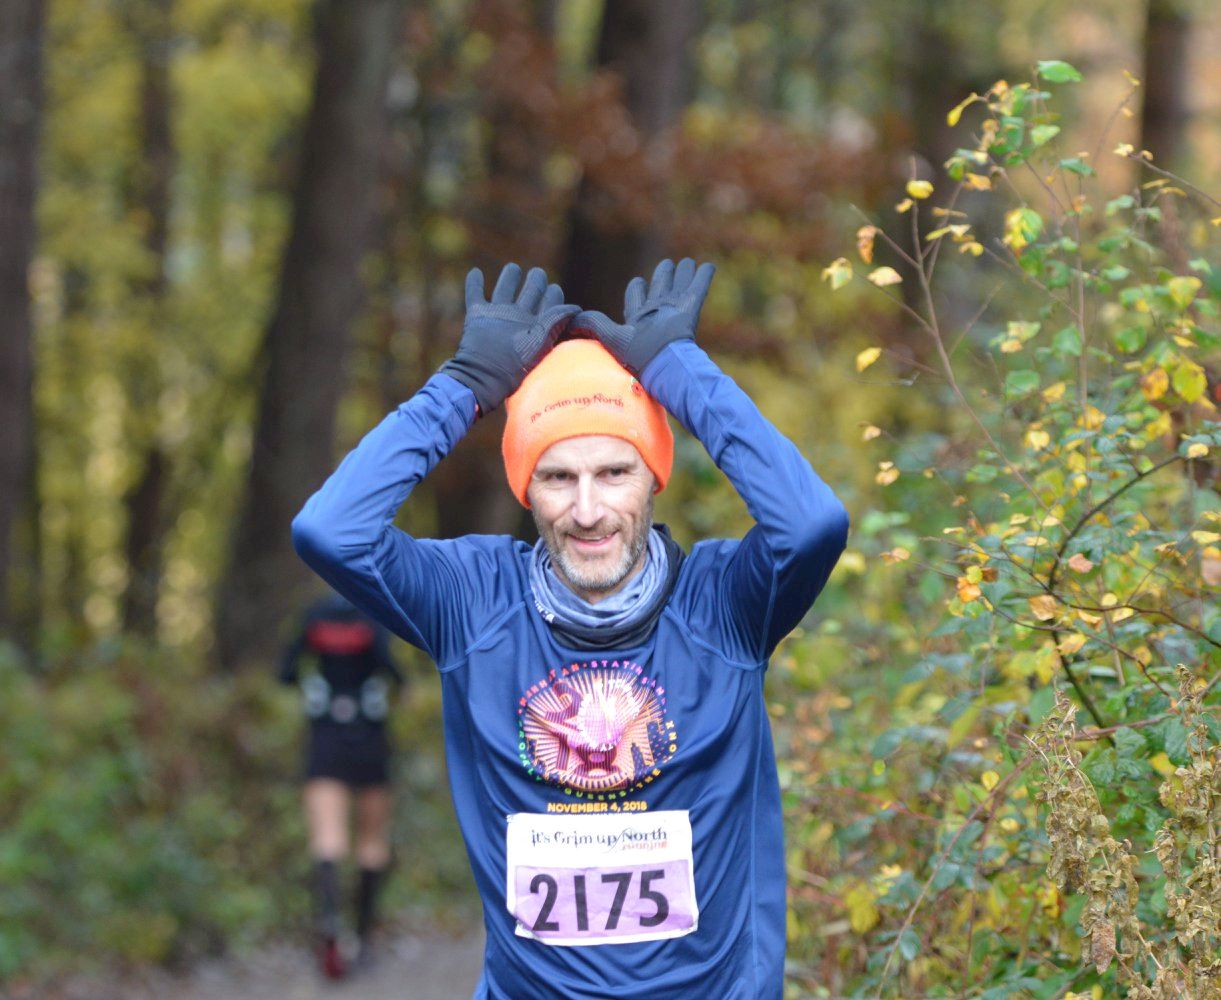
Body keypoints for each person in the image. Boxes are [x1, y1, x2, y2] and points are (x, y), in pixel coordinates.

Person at [291, 258, 850, 998]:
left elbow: (811, 522)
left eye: (614, 472)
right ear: (526, 489)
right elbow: (331, 530)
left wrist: (677, 372)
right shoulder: (473, 605)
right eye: (557, 477)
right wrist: (461, 389)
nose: (587, 511)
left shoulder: (725, 605)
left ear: (654, 477)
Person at [279, 590, 404, 979]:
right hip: (370, 738)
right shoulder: (373, 617)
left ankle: (330, 928)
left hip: (325, 737)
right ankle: (363, 940)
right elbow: (394, 674)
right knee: (372, 842)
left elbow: (285, 673)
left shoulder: (314, 615)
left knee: (327, 838)